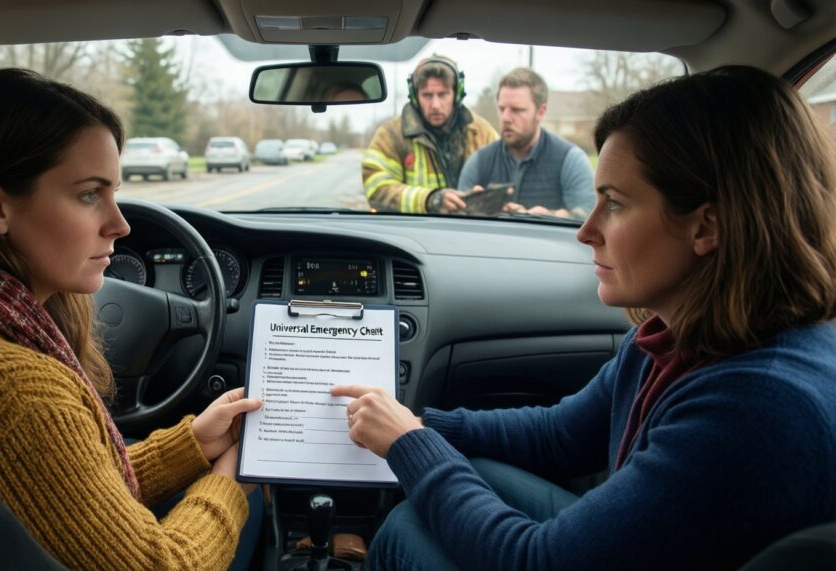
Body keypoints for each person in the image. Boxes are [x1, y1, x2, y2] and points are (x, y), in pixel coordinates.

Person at [334, 65, 836, 570]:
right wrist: (423, 423)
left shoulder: (756, 407)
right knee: (465, 471)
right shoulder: (675, 335)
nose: (585, 231)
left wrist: (410, 444)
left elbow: (536, 561)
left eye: (614, 204)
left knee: (404, 531)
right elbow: (561, 435)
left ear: (706, 226)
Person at [0, 68, 263, 571]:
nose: (119, 224)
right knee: (244, 515)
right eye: (88, 195)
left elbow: (61, 490)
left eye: (114, 193)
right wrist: (231, 483)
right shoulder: (12, 392)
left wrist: (191, 446)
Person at [362, 55, 498, 213]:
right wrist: (429, 199)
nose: (435, 105)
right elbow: (376, 189)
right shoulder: (390, 135)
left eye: (443, 94)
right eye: (427, 95)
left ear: (457, 94)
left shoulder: (482, 132)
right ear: (414, 96)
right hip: (413, 233)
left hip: (470, 232)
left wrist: (484, 197)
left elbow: (506, 180)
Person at [458, 68, 595, 218]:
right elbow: (460, 224)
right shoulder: (478, 163)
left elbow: (588, 218)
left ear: (541, 112)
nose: (506, 118)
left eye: (516, 110)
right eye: (502, 109)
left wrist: (547, 216)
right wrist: (474, 206)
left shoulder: (570, 160)